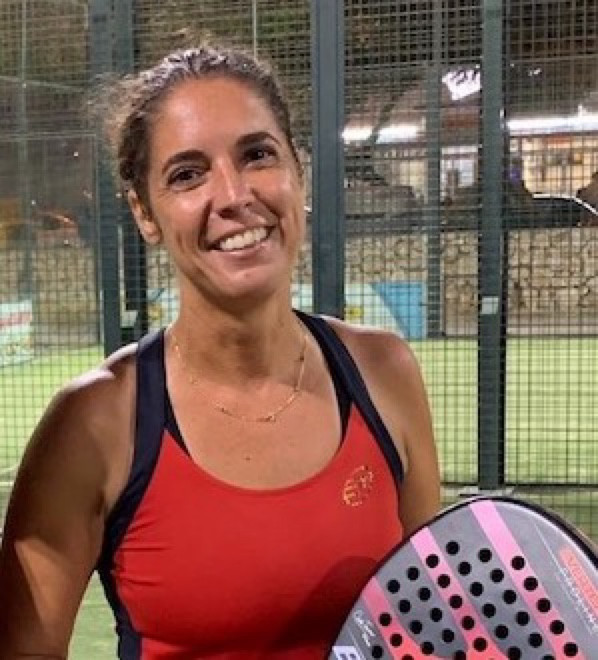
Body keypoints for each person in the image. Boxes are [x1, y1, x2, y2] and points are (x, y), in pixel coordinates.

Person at [0, 45, 440, 659]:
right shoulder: (94, 424)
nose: (233, 194)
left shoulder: (383, 371)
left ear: (298, 172)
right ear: (144, 213)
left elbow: (433, 619)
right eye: (187, 174)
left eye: (257, 154)